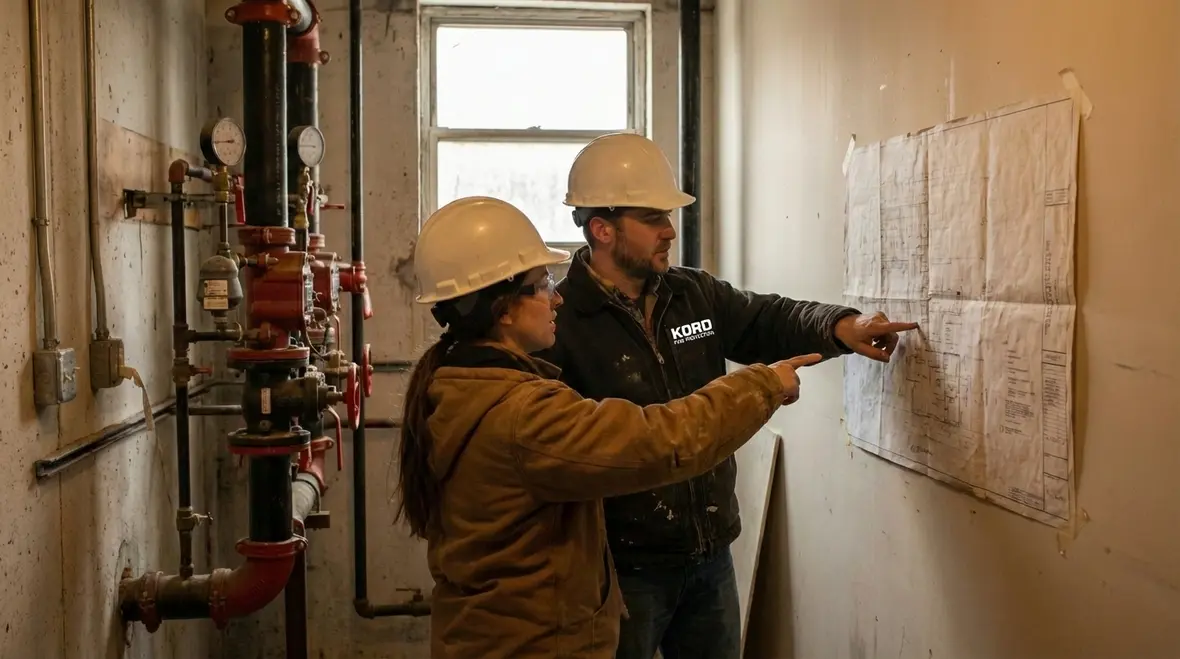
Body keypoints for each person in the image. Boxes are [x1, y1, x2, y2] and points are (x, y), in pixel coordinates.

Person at [533, 133, 921, 659]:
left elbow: (767, 317)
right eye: (652, 219)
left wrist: (841, 325)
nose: (670, 230)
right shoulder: (557, 321)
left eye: (667, 216)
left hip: (709, 556)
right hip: (618, 571)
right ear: (601, 229)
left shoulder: (691, 294)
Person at [395, 194, 825, 659]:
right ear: (503, 309)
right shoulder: (522, 415)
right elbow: (659, 441)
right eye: (540, 285)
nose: (555, 295)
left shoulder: (458, 384)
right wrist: (762, 386)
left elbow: (759, 317)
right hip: (534, 643)